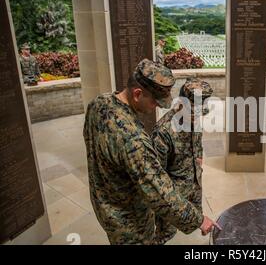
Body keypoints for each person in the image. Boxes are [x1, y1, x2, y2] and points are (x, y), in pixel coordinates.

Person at [83, 59, 220, 245]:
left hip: (106, 207)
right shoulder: (134, 139)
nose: (159, 107)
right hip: (130, 223)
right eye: (156, 102)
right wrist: (198, 220)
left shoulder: (99, 104)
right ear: (138, 94)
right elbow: (158, 189)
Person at [150, 78, 214, 244]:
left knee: (195, 225)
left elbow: (197, 141)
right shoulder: (163, 132)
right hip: (173, 197)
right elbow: (158, 178)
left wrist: (199, 158)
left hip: (194, 183)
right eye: (192, 112)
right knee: (165, 235)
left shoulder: (194, 118)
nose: (196, 117)